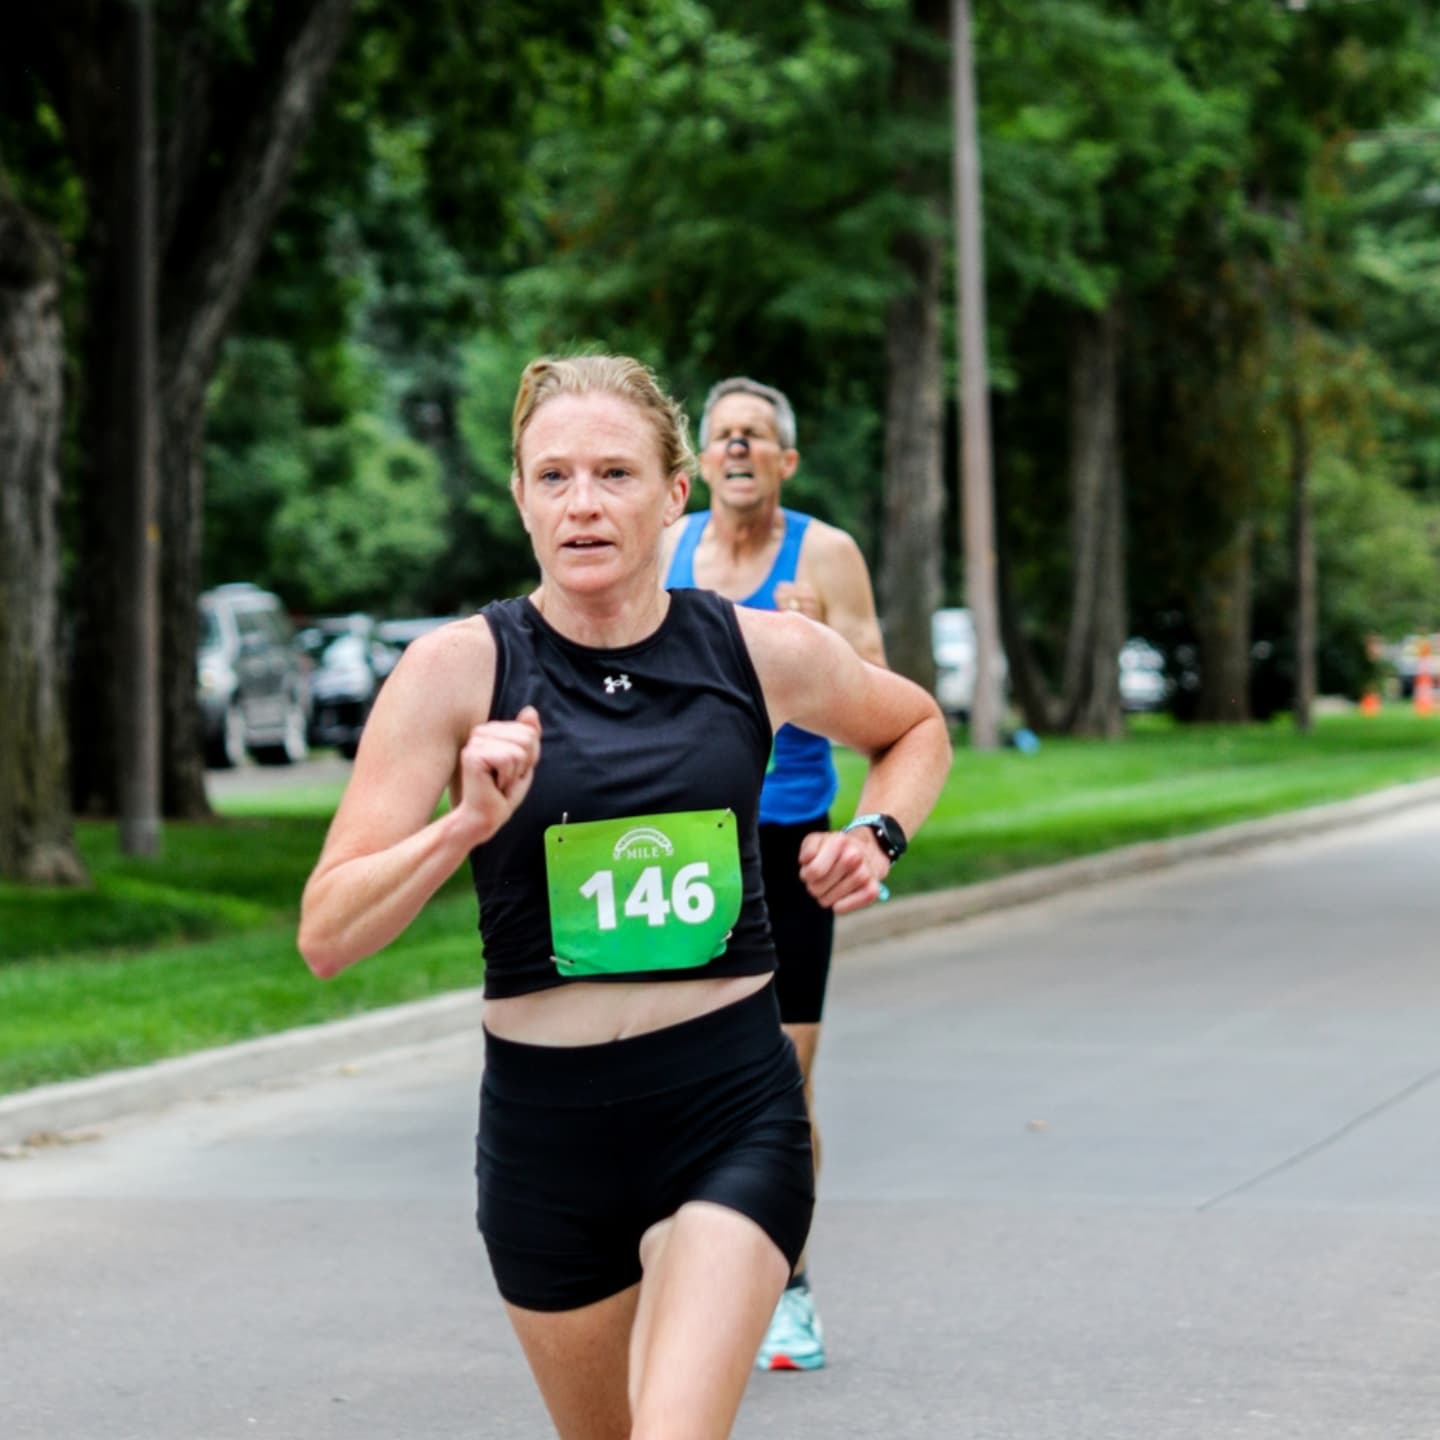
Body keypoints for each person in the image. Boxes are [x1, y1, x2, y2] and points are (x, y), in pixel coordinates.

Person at [298, 354, 950, 1440]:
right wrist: (461, 827)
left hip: (727, 1112)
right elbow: (326, 934)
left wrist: (876, 833)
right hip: (546, 1139)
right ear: (518, 496)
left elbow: (913, 724)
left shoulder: (759, 650)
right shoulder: (456, 671)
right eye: (553, 477)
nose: (584, 504)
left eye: (614, 473)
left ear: (674, 495)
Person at [664, 375, 884, 1372]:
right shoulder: (666, 554)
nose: (740, 449)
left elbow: (882, 698)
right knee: (667, 1071)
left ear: (787, 462)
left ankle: (788, 1290)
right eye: (723, 437)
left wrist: (819, 636)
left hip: (789, 840)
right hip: (682, 845)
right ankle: (684, 1281)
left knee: (780, 1085)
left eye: (758, 436)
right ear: (698, 464)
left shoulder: (824, 555)